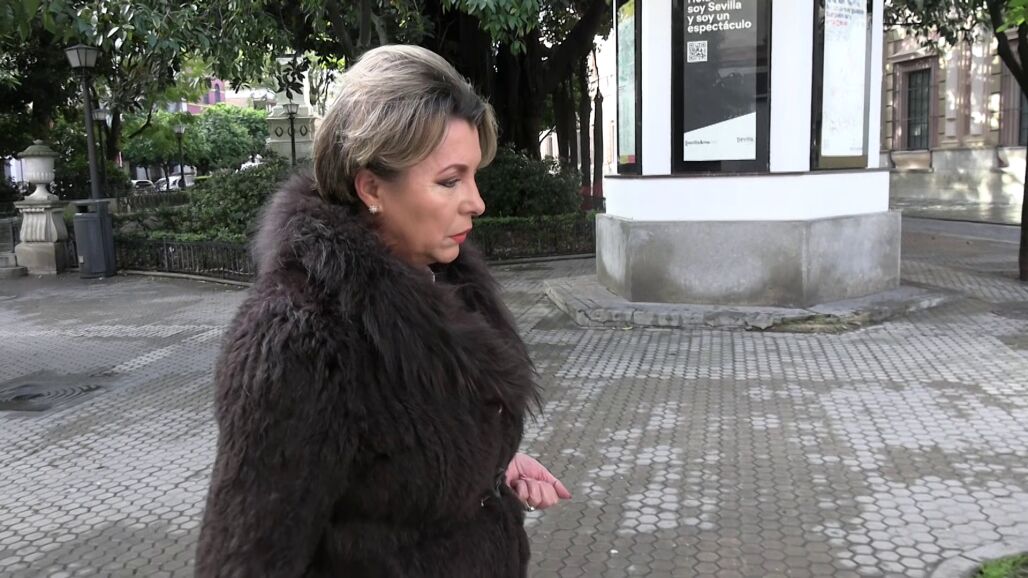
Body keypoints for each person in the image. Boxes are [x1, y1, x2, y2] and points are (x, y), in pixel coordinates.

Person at [194, 45, 571, 577]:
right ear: (371, 187)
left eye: (474, 176)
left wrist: (490, 466)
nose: (477, 202)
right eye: (450, 180)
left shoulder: (444, 282)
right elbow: (245, 559)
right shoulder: (298, 340)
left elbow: (399, 472)